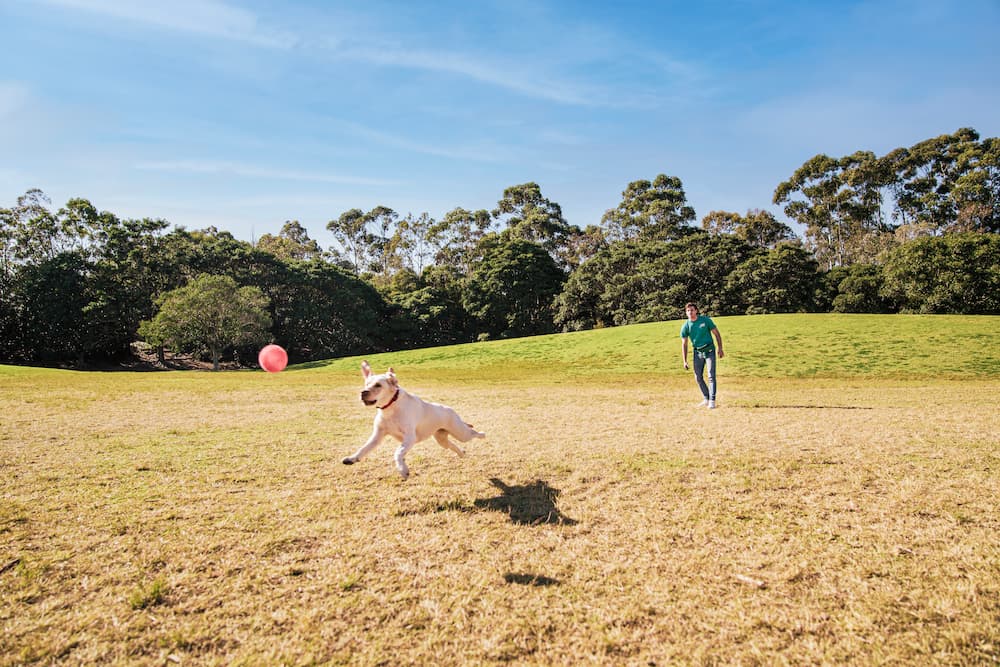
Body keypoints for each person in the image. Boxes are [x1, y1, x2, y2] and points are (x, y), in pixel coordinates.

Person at [680, 302, 724, 408]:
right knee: (698, 377)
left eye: (692, 310)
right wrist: (684, 360)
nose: (690, 312)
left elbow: (717, 334)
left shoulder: (705, 320)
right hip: (697, 352)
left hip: (710, 351)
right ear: (686, 313)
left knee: (711, 376)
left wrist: (720, 348)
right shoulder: (685, 326)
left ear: (696, 311)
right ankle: (706, 398)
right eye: (688, 310)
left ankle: (712, 401)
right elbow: (684, 344)